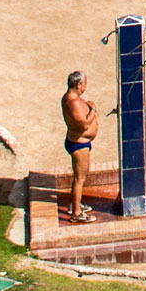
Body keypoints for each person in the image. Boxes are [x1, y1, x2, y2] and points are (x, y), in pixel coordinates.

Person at [60, 70, 100, 223]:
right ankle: (76, 213)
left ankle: (75, 204)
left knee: (81, 177)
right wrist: (93, 110)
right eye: (85, 84)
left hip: (79, 142)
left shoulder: (70, 98)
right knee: (80, 178)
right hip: (79, 144)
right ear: (79, 84)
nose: (85, 87)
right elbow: (84, 125)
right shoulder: (74, 102)